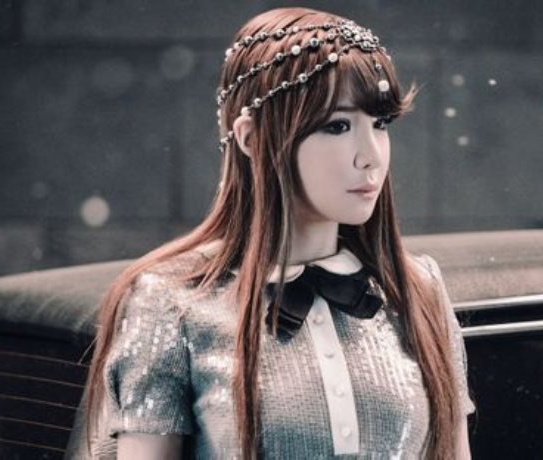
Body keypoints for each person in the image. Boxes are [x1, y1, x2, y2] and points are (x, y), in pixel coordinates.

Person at [82, 6, 475, 459]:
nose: (371, 156)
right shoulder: (173, 302)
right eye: (338, 126)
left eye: (380, 124)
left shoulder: (417, 289)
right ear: (251, 138)